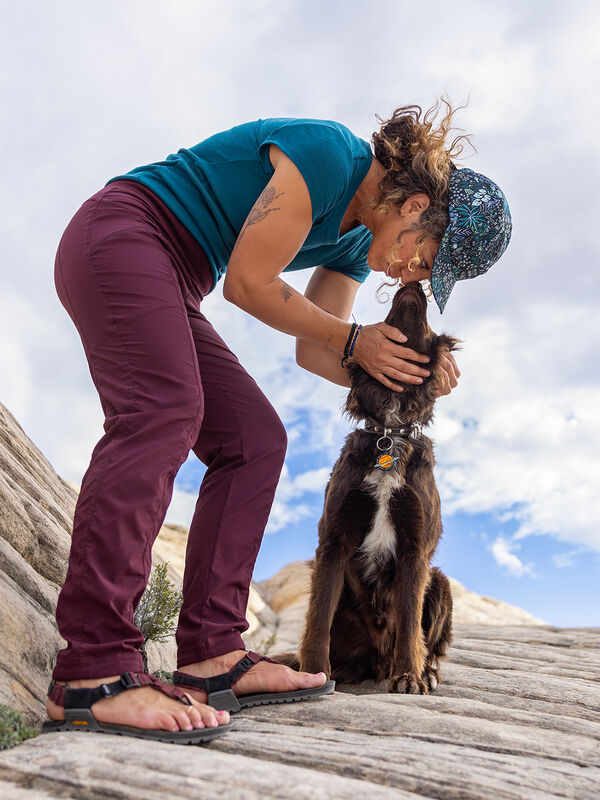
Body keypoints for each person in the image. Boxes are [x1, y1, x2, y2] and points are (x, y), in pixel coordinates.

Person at [45, 100, 512, 742]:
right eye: (427, 259)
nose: (414, 276)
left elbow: (316, 348)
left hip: (176, 278)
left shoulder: (354, 240)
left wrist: (412, 373)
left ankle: (214, 655)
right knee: (164, 410)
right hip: (125, 234)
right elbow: (249, 283)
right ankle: (93, 671)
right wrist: (357, 342)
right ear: (414, 208)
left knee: (255, 440)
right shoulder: (329, 157)